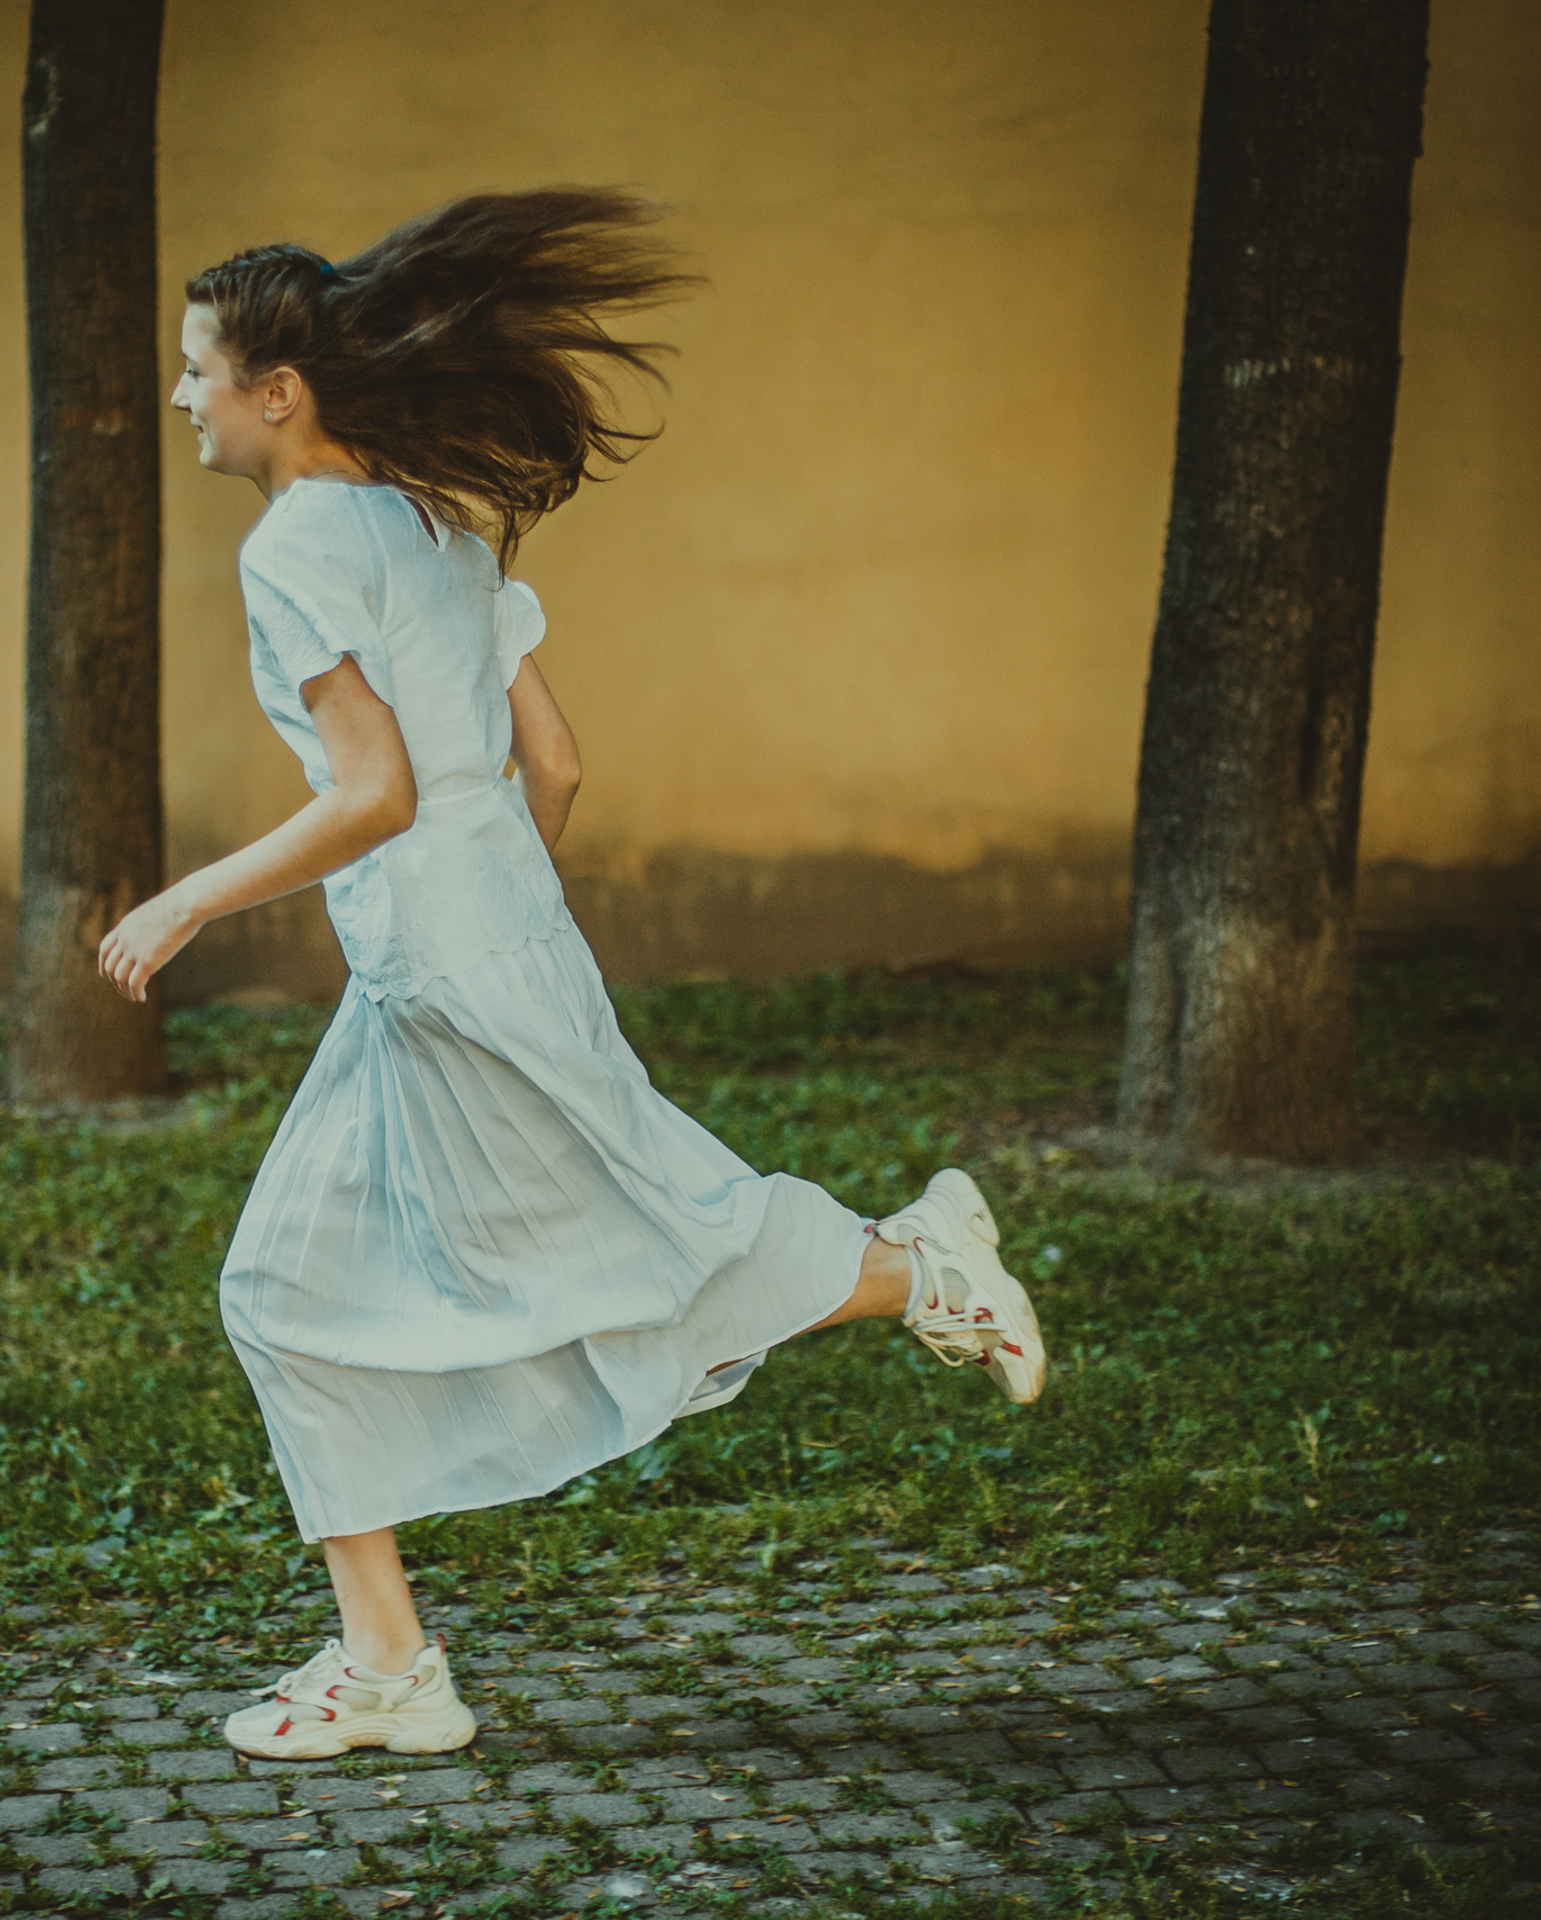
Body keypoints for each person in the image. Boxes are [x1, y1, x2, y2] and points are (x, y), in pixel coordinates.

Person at [98, 189, 1047, 1763]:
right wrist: (504, 911)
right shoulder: (439, 519)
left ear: (280, 392)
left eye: (198, 369)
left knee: (595, 1256)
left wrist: (190, 898)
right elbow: (558, 760)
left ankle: (913, 1265)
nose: (184, 396)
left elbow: (375, 796)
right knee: (339, 1280)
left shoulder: (295, 554)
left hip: (449, 957)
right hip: (485, 946)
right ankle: (389, 1664)